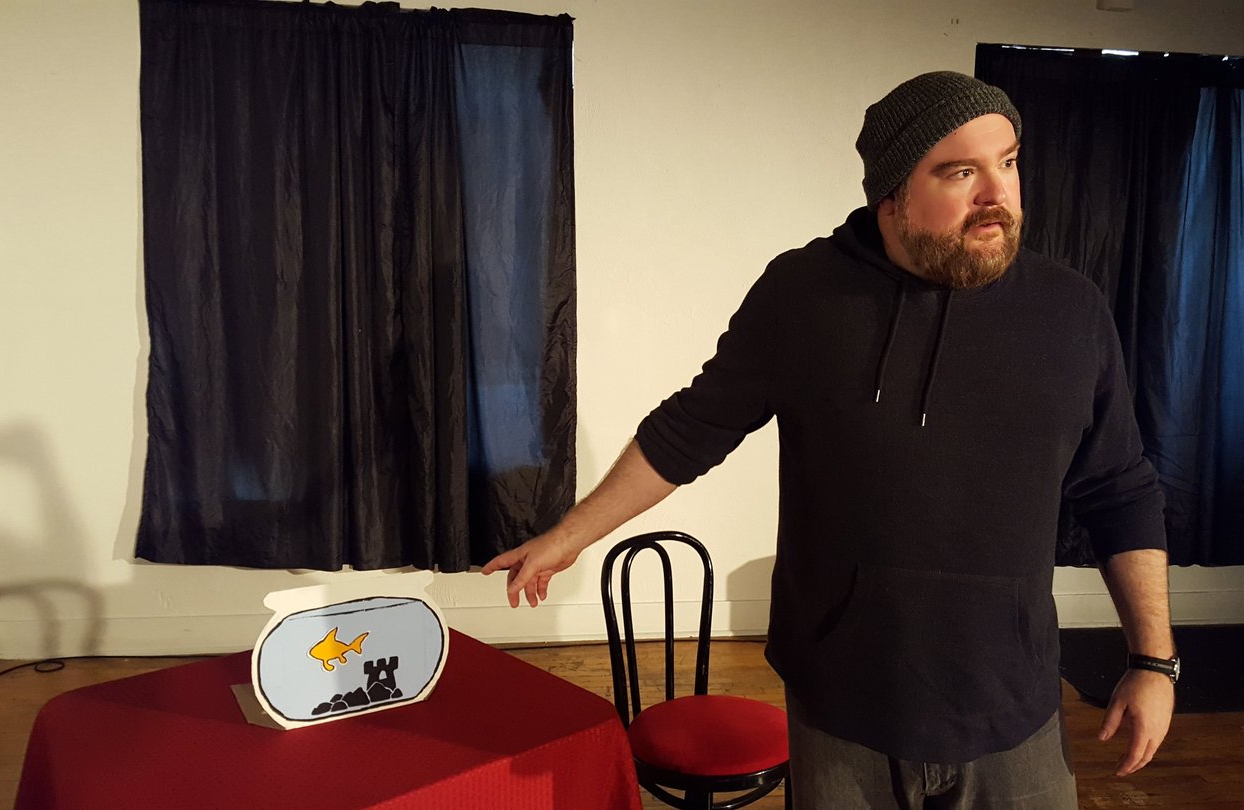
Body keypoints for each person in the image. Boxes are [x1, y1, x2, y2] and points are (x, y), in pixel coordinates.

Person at [483, 71, 1175, 809]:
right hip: (844, 705)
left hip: (1014, 708)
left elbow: (1119, 490)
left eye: (1007, 162)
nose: (996, 194)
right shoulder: (804, 295)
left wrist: (1153, 663)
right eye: (960, 172)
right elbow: (691, 429)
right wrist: (569, 536)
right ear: (892, 195)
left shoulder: (1071, 312)